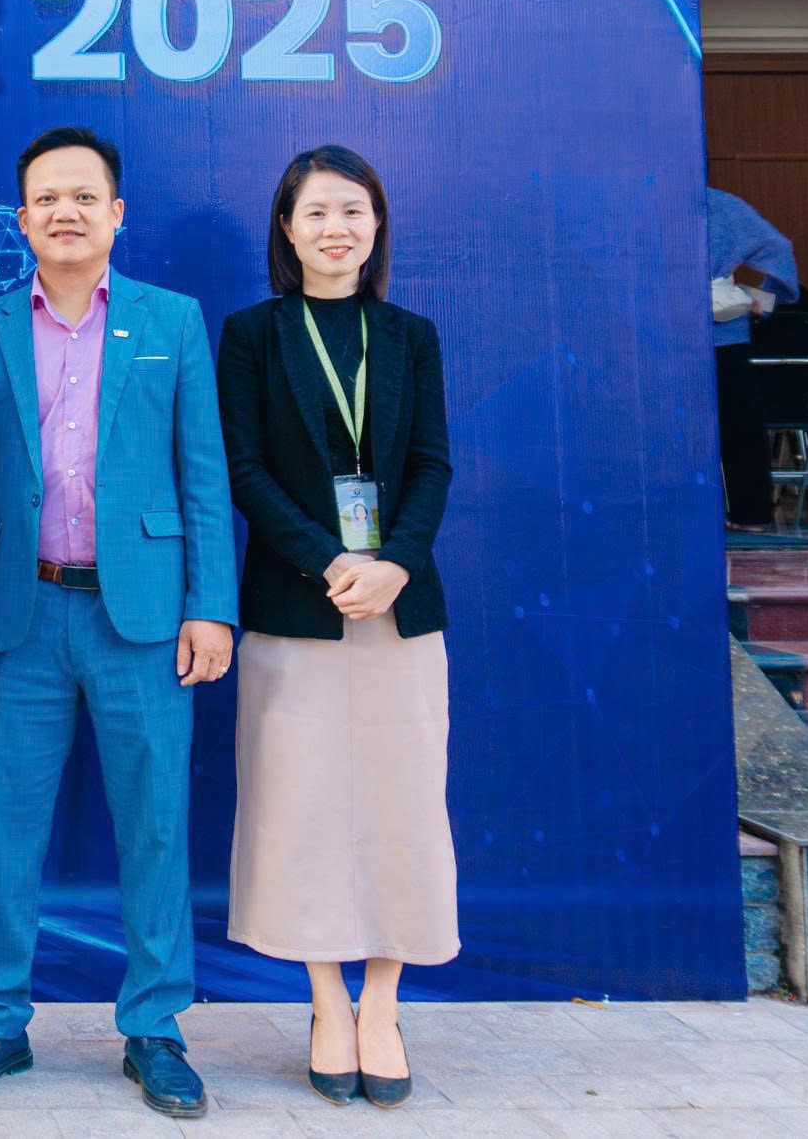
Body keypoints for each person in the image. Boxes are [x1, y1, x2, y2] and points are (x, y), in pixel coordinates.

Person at [0, 126, 235, 1119]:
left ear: (116, 213)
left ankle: (155, 1026)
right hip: (19, 615)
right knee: (4, 831)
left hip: (144, 617)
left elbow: (203, 475)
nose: (66, 211)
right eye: (47, 198)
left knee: (154, 826)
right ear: (21, 218)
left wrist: (210, 606)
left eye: (84, 196)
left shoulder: (171, 320)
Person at [215, 145, 455, 1110]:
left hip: (401, 608)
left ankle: (383, 1005)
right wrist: (331, 561)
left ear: (377, 222)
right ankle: (324, 1002)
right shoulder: (251, 334)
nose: (335, 228)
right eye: (315, 212)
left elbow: (433, 463)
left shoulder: (410, 335)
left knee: (404, 802)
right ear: (286, 226)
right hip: (297, 609)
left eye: (353, 210)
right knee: (302, 804)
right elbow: (244, 470)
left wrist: (393, 562)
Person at [708, 186, 800, 533]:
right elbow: (779, 248)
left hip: (655, 333)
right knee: (739, 425)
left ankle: (674, 514)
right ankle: (751, 514)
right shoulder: (718, 204)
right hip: (721, 327)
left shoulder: (634, 202)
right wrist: (770, 297)